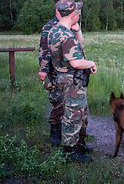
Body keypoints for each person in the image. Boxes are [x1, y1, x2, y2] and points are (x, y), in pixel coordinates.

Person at [48, 0, 97, 163]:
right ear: (73, 14)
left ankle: (79, 144)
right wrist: (91, 63)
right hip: (72, 81)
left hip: (64, 78)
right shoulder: (66, 35)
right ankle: (70, 152)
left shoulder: (55, 31)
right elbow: (76, 61)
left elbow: (77, 47)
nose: (79, 14)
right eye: (78, 12)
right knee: (73, 116)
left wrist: (77, 30)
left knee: (80, 113)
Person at [38, 8, 84, 146]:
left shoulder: (70, 26)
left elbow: (78, 47)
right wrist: (44, 70)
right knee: (58, 101)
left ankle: (73, 136)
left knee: (72, 104)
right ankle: (55, 129)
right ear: (58, 12)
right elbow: (43, 50)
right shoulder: (50, 27)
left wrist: (77, 30)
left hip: (71, 72)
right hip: (55, 72)